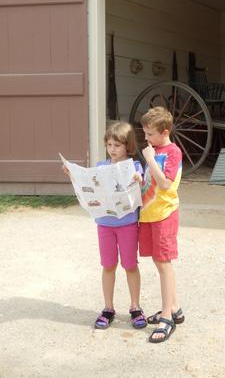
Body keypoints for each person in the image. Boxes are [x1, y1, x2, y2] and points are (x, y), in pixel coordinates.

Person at [63, 122, 147, 331]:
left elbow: (142, 183)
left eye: (117, 145)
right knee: (108, 265)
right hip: (104, 224)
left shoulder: (135, 166)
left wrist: (139, 179)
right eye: (109, 144)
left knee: (130, 265)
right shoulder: (100, 167)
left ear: (128, 146)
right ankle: (108, 308)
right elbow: (89, 186)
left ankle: (135, 307)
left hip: (127, 224)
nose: (112, 149)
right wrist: (72, 174)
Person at [139, 106, 185, 343]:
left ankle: (167, 316)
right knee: (159, 261)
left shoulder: (172, 151)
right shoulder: (155, 150)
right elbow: (152, 181)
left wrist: (149, 159)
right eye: (145, 134)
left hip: (164, 215)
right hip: (150, 214)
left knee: (164, 263)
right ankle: (175, 309)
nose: (146, 139)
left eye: (149, 134)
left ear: (164, 131)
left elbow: (166, 184)